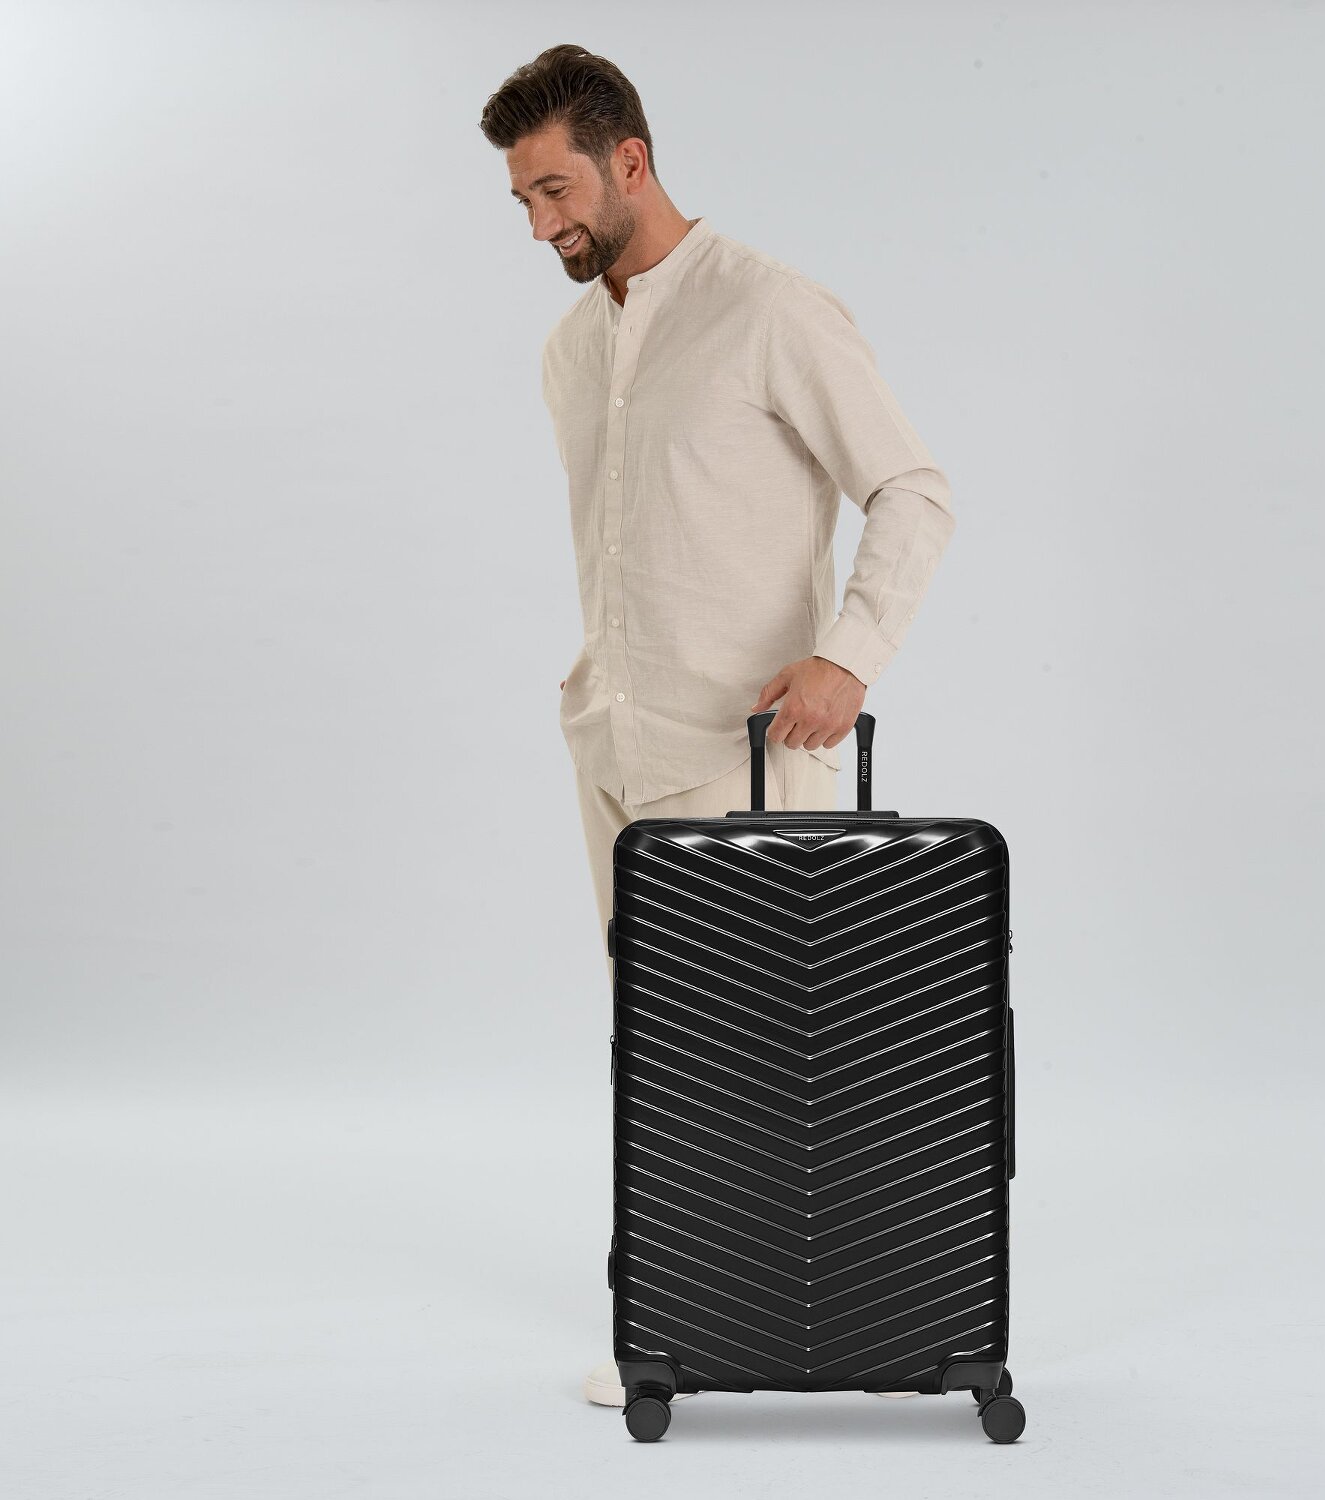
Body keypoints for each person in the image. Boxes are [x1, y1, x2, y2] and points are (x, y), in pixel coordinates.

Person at [479, 44, 955, 1408]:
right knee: (663, 1053)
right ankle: (685, 1317)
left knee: (779, 1052)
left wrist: (848, 656)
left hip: (745, 754)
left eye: (557, 191)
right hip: (614, 752)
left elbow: (913, 491)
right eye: (522, 202)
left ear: (630, 160)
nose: (541, 226)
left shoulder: (769, 309)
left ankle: (824, 1316)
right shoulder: (571, 351)